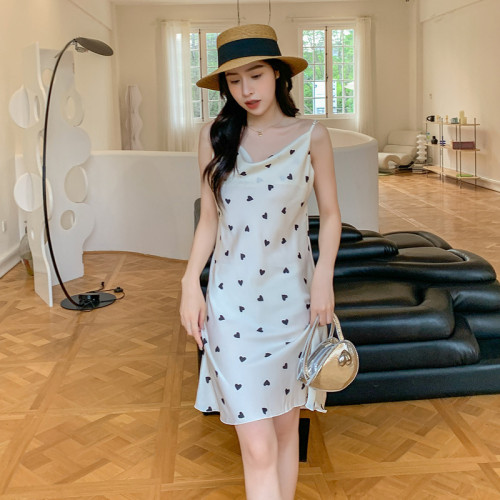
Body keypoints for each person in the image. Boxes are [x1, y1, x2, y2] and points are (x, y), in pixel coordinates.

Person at [180, 24, 342, 500]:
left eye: (256, 75)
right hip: (231, 306)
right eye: (234, 80)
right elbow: (209, 220)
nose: (246, 89)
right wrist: (190, 283)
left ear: (277, 75)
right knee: (257, 446)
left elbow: (332, 215)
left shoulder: (312, 136)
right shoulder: (214, 136)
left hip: (293, 302)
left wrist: (324, 279)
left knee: (287, 431)